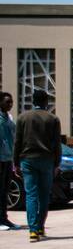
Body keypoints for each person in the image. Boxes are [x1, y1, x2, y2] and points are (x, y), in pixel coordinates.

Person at [13, 90, 61, 242]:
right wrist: (57, 163)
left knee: (31, 195)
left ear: (33, 101)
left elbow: (17, 142)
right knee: (44, 195)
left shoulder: (22, 118)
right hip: (46, 160)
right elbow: (57, 143)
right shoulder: (53, 119)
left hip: (27, 159)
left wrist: (15, 162)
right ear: (46, 102)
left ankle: (33, 231)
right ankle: (40, 226)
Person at [0, 92, 20, 230]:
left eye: (11, 102)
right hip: (0, 159)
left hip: (8, 158)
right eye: (7, 102)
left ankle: (4, 218)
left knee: (5, 190)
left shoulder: (8, 118)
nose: (10, 104)